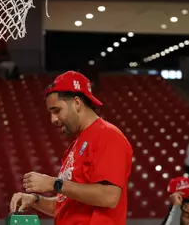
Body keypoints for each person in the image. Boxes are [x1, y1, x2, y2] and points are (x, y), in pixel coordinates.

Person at [9, 71, 133, 224]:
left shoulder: (107, 135)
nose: (53, 119)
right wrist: (35, 200)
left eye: (57, 110)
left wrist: (54, 183)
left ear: (77, 103)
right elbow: (66, 206)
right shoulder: (76, 145)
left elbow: (109, 197)